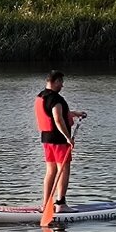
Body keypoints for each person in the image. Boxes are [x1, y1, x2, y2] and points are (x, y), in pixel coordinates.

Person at [35, 71, 87, 213]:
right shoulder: (56, 99)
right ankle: (60, 204)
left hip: (47, 140)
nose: (62, 85)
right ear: (56, 81)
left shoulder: (41, 96)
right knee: (64, 170)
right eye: (61, 82)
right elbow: (58, 119)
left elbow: (54, 115)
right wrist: (68, 138)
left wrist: (74, 113)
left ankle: (46, 204)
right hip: (59, 141)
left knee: (50, 171)